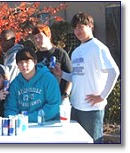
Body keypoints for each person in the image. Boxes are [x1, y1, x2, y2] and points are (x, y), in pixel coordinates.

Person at [51, 12, 120, 143]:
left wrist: (102, 96)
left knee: (93, 143)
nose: (77, 31)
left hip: (91, 109)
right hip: (76, 106)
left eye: (81, 27)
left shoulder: (98, 47)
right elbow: (76, 77)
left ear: (90, 26)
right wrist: (62, 74)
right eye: (75, 28)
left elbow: (114, 72)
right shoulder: (77, 51)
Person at [4, 48, 61, 123]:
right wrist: (16, 119)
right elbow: (10, 108)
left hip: (47, 123)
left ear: (35, 62)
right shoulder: (15, 84)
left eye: (27, 61)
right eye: (20, 62)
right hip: (22, 124)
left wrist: (27, 118)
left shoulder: (48, 79)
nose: (24, 65)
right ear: (17, 65)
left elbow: (54, 105)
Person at [32, 24, 72, 100]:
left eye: (40, 36)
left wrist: (65, 95)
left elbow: (70, 77)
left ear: (48, 35)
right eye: (35, 38)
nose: (37, 40)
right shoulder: (34, 56)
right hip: (40, 99)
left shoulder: (60, 53)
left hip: (58, 97)